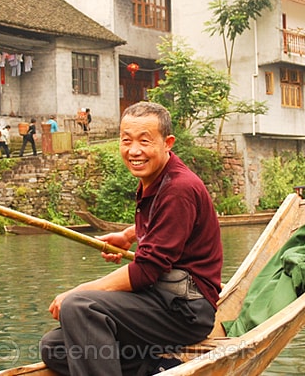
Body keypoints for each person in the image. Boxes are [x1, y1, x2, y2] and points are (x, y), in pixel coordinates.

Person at [39, 101, 223, 375]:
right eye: (126, 141)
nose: (134, 151)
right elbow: (163, 226)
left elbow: (147, 270)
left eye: (145, 141)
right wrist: (128, 235)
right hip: (159, 299)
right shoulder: (158, 178)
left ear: (167, 143)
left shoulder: (178, 189)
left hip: (185, 311)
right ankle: (154, 366)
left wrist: (78, 291)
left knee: (79, 306)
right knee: (55, 346)